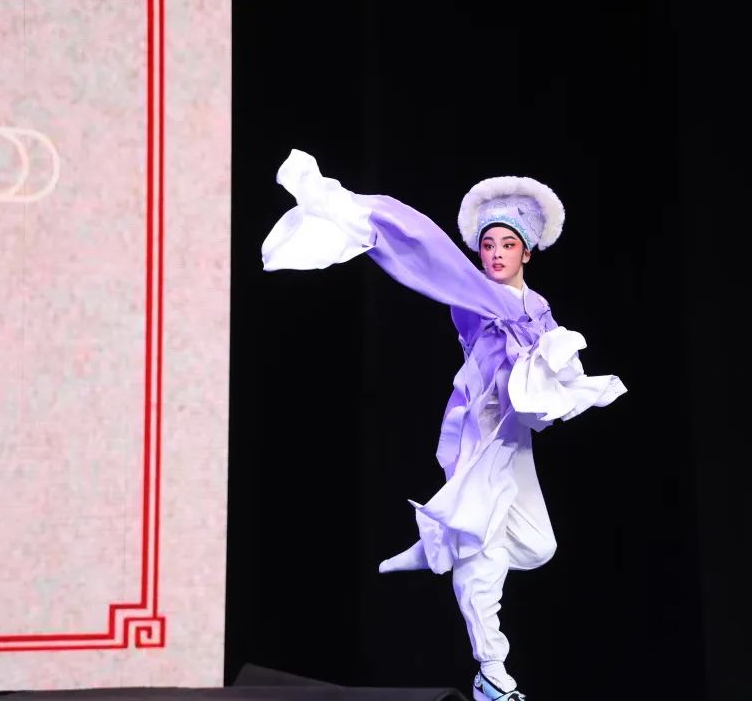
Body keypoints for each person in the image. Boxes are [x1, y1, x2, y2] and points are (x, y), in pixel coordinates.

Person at [262, 150, 626, 701]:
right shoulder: (474, 295)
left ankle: (456, 546)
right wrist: (353, 209)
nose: (496, 253)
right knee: (483, 542)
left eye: (507, 244)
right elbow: (427, 250)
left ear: (527, 251)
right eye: (488, 244)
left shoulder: (538, 304)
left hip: (514, 440)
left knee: (537, 546)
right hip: (483, 437)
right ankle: (492, 669)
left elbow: (548, 368)